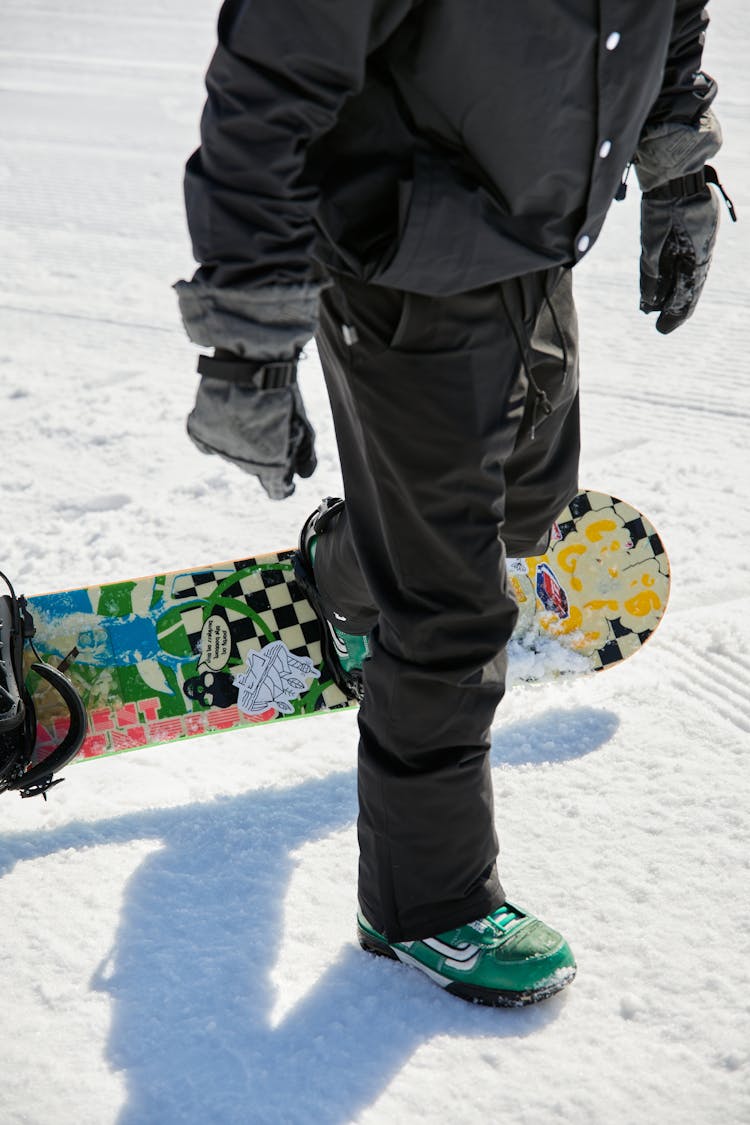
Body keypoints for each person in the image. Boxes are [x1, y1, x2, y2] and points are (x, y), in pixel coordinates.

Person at [175, 1, 730, 1006]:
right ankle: (422, 903)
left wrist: (677, 166)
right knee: (454, 608)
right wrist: (246, 340)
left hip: (534, 239)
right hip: (403, 257)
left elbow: (666, 18)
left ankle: (353, 574)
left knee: (531, 511)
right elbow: (272, 79)